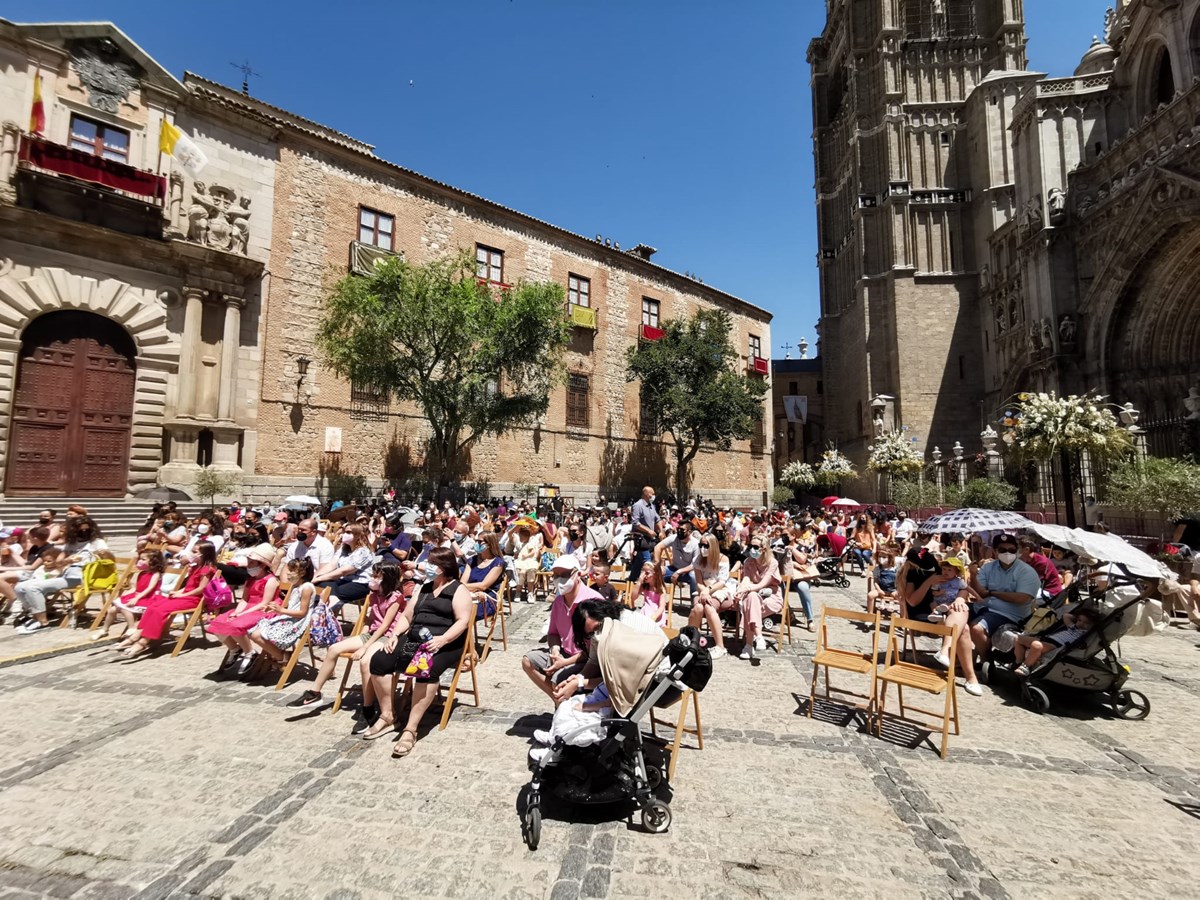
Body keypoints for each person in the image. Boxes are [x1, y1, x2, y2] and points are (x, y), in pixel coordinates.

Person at [362, 547, 473, 757]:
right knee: (379, 661)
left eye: (431, 564)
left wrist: (443, 639)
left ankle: (410, 729)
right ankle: (388, 716)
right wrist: (395, 634)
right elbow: (407, 616)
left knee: (425, 671)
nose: (426, 567)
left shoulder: (458, 590)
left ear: (442, 568)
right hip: (414, 638)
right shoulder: (425, 587)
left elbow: (463, 621)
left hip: (442, 642)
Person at [287, 565, 406, 716]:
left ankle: (367, 707)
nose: (372, 579)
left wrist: (365, 647)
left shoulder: (395, 597)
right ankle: (314, 693)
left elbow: (385, 625)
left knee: (365, 662)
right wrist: (361, 638)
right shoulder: (374, 595)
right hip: (372, 633)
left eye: (376, 576)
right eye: (372, 575)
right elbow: (370, 622)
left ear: (387, 578)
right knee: (333, 649)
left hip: (387, 636)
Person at [114, 542, 219, 658]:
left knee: (160, 611)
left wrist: (182, 595)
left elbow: (201, 589)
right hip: (186, 595)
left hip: (193, 599)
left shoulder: (206, 569)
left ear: (204, 554)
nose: (191, 553)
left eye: (195, 552)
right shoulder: (195, 567)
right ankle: (138, 633)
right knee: (154, 606)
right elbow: (190, 586)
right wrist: (178, 592)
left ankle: (143, 642)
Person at [521, 555, 603, 701]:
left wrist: (564, 663)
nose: (559, 580)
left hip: (586, 659)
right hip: (563, 653)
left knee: (558, 678)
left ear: (577, 574)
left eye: (564, 575)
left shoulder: (593, 602)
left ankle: (561, 703)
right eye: (556, 575)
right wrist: (555, 651)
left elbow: (594, 652)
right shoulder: (559, 601)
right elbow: (553, 633)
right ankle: (559, 700)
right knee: (528, 661)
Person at [14, 515, 107, 633]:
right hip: (66, 574)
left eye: (86, 529)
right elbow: (58, 563)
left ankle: (43, 623)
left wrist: (101, 554)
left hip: (83, 576)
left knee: (33, 588)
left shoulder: (97, 542)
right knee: (20, 587)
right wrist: (67, 560)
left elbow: (109, 560)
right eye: (80, 529)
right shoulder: (71, 543)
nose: (83, 532)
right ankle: (34, 615)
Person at [207, 544, 281, 675]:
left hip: (263, 610)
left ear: (263, 565)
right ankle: (234, 649)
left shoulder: (270, 580)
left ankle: (250, 652)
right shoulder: (250, 580)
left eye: (252, 563)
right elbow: (244, 600)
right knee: (217, 622)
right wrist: (237, 612)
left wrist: (242, 614)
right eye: (248, 562)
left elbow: (265, 602)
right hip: (248, 608)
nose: (249, 566)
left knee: (237, 624)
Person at [967, 533, 1041, 661]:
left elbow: (1021, 598)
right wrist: (973, 575)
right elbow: (980, 592)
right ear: (995, 552)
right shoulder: (988, 567)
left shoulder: (1026, 572)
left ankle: (986, 659)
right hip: (984, 607)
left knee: (976, 628)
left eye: (1011, 550)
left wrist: (993, 593)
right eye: (1002, 550)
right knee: (956, 613)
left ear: (1017, 551)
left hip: (1009, 614)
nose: (1007, 553)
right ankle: (956, 654)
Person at [250, 557, 317, 666]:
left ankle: (282, 657)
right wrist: (274, 608)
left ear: (302, 573)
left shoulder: (307, 587)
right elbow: (290, 606)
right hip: (288, 618)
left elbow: (302, 612)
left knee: (257, 634)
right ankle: (279, 655)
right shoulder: (295, 586)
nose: (288, 574)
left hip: (297, 621)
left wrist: (281, 610)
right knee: (253, 632)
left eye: (292, 571)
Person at [93, 549, 165, 640]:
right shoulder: (142, 573)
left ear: (153, 562)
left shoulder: (156, 574)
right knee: (112, 610)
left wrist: (136, 598)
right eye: (140, 559)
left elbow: (149, 588)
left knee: (124, 607)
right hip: (139, 595)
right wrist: (130, 592)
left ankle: (132, 627)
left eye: (143, 559)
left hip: (148, 598)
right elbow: (139, 587)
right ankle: (104, 630)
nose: (140, 561)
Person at [1011, 606, 1099, 676]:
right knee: (1018, 638)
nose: (1081, 624)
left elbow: (1094, 630)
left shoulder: (1084, 633)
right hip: (1047, 639)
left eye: (1086, 623)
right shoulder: (1072, 626)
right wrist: (1076, 618)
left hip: (1056, 645)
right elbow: (1066, 615)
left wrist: (1092, 625)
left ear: (1092, 625)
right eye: (1080, 620)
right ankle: (1019, 661)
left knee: (1036, 645)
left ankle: (1026, 666)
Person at [735, 533, 782, 660]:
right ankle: (759, 636)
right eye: (751, 546)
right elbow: (746, 579)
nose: (752, 549)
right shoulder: (748, 562)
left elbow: (763, 583)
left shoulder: (772, 563)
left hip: (770, 596)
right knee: (752, 598)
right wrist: (741, 589)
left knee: (750, 605)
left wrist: (747, 588)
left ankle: (749, 646)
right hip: (753, 596)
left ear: (763, 549)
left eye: (755, 547)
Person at [688, 533, 734, 659]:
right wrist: (704, 591)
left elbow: (722, 582)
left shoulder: (723, 559)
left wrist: (708, 590)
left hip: (720, 590)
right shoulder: (698, 560)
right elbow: (698, 582)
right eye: (701, 545)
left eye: (706, 545)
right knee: (698, 608)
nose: (703, 548)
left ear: (713, 546)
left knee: (708, 606)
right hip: (703, 590)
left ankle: (720, 646)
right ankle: (692, 641)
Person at [313, 524, 373, 610]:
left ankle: (321, 614)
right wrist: (315, 576)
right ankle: (331, 601)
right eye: (345, 532)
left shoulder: (363, 552)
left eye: (348, 532)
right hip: (343, 580)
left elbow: (344, 571)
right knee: (321, 585)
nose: (344, 534)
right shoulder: (344, 549)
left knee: (324, 592)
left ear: (358, 535)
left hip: (360, 583)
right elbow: (331, 565)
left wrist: (319, 578)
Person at [462, 531, 505, 619]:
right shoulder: (472, 560)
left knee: (462, 611)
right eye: (476, 541)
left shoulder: (498, 563)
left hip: (486, 598)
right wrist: (466, 589)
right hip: (469, 594)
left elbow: (483, 586)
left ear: (489, 544)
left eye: (480, 542)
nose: (477, 544)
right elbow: (462, 582)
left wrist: (463, 587)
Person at [656, 521, 700, 598]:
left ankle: (695, 602)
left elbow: (694, 564)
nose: (679, 531)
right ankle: (656, 599)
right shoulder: (674, 538)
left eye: (682, 530)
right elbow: (658, 547)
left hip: (687, 572)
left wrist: (679, 572)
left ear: (689, 531)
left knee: (694, 576)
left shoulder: (695, 544)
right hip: (673, 568)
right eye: (678, 529)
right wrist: (656, 563)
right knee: (656, 572)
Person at [506, 522, 543, 602]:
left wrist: (527, 556)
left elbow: (532, 552)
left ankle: (530, 593)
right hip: (520, 561)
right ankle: (518, 592)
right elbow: (510, 533)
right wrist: (518, 526)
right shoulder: (518, 540)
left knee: (531, 570)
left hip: (529, 561)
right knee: (521, 572)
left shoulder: (532, 541)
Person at [630, 485, 661, 571]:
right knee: (648, 563)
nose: (654, 496)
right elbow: (635, 522)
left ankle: (632, 579)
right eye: (652, 494)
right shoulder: (637, 506)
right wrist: (648, 531)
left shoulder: (652, 506)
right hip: (641, 539)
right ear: (646, 494)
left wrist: (661, 531)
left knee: (638, 563)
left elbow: (657, 519)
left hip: (650, 539)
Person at [631, 559, 669, 626]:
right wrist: (639, 582)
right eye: (643, 572)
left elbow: (662, 606)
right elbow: (633, 598)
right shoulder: (645, 586)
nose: (644, 575)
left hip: (656, 614)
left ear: (655, 575)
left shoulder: (660, 589)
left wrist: (654, 616)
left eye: (647, 573)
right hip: (645, 611)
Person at [866, 547, 899, 615]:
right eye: (880, 556)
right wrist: (879, 590)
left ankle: (903, 617)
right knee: (870, 595)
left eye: (884, 557)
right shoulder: (877, 568)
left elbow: (900, 581)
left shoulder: (895, 569)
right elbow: (875, 581)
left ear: (889, 558)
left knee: (902, 597)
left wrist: (897, 590)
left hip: (893, 590)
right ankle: (870, 613)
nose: (881, 558)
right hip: (881, 589)